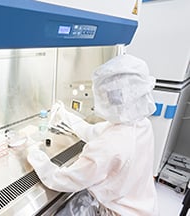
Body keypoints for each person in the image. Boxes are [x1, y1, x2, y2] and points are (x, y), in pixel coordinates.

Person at [27, 54, 159, 216]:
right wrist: (64, 114)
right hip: (145, 208)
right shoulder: (140, 124)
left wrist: (34, 154)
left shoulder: (110, 145)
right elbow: (93, 131)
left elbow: (64, 180)